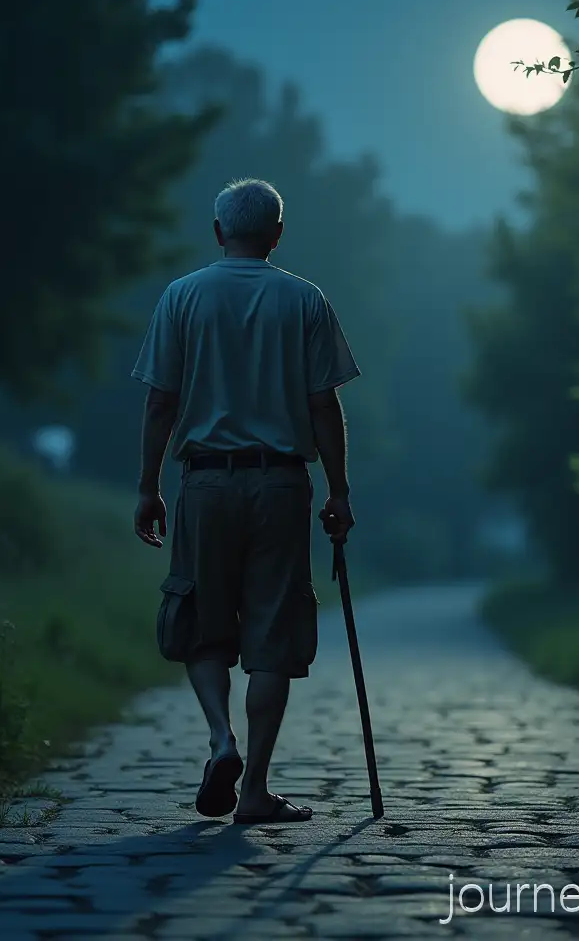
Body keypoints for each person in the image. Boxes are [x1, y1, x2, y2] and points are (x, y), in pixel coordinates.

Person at [131, 178, 359, 824]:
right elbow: (323, 404)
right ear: (277, 234)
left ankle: (220, 740)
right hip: (280, 485)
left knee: (202, 617)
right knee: (272, 633)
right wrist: (339, 492)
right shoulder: (304, 299)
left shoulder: (182, 296)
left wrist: (149, 486)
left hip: (204, 481)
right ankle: (254, 789)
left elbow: (160, 402)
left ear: (217, 231)